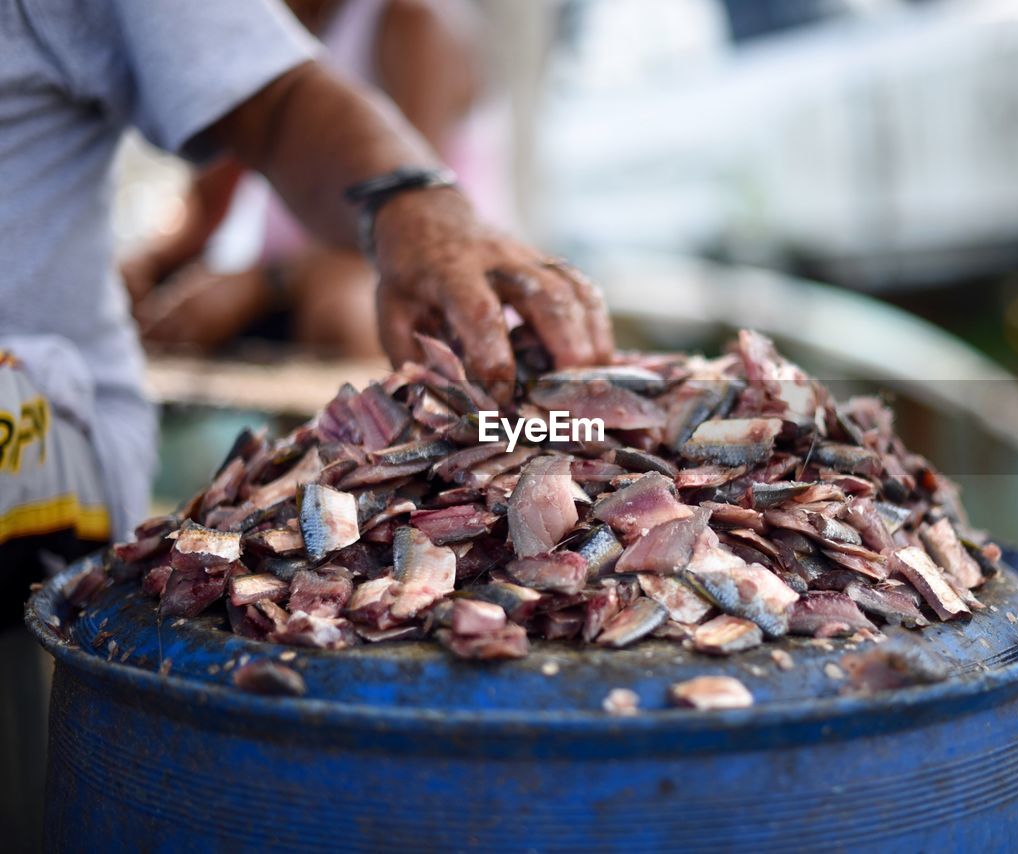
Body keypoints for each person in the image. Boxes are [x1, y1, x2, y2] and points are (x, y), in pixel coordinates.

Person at [0, 0, 612, 846]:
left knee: (355, 334)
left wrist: (260, 287)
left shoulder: (404, 24)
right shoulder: (236, 45)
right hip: (290, 304)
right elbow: (203, 216)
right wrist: (152, 278)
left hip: (396, 315)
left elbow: (376, 227)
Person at [123, 0, 489, 358]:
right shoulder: (257, 24)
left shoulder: (409, 20)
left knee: (346, 310)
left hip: (374, 272)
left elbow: (415, 227)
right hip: (283, 276)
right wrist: (144, 266)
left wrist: (263, 283)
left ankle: (382, 417)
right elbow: (206, 206)